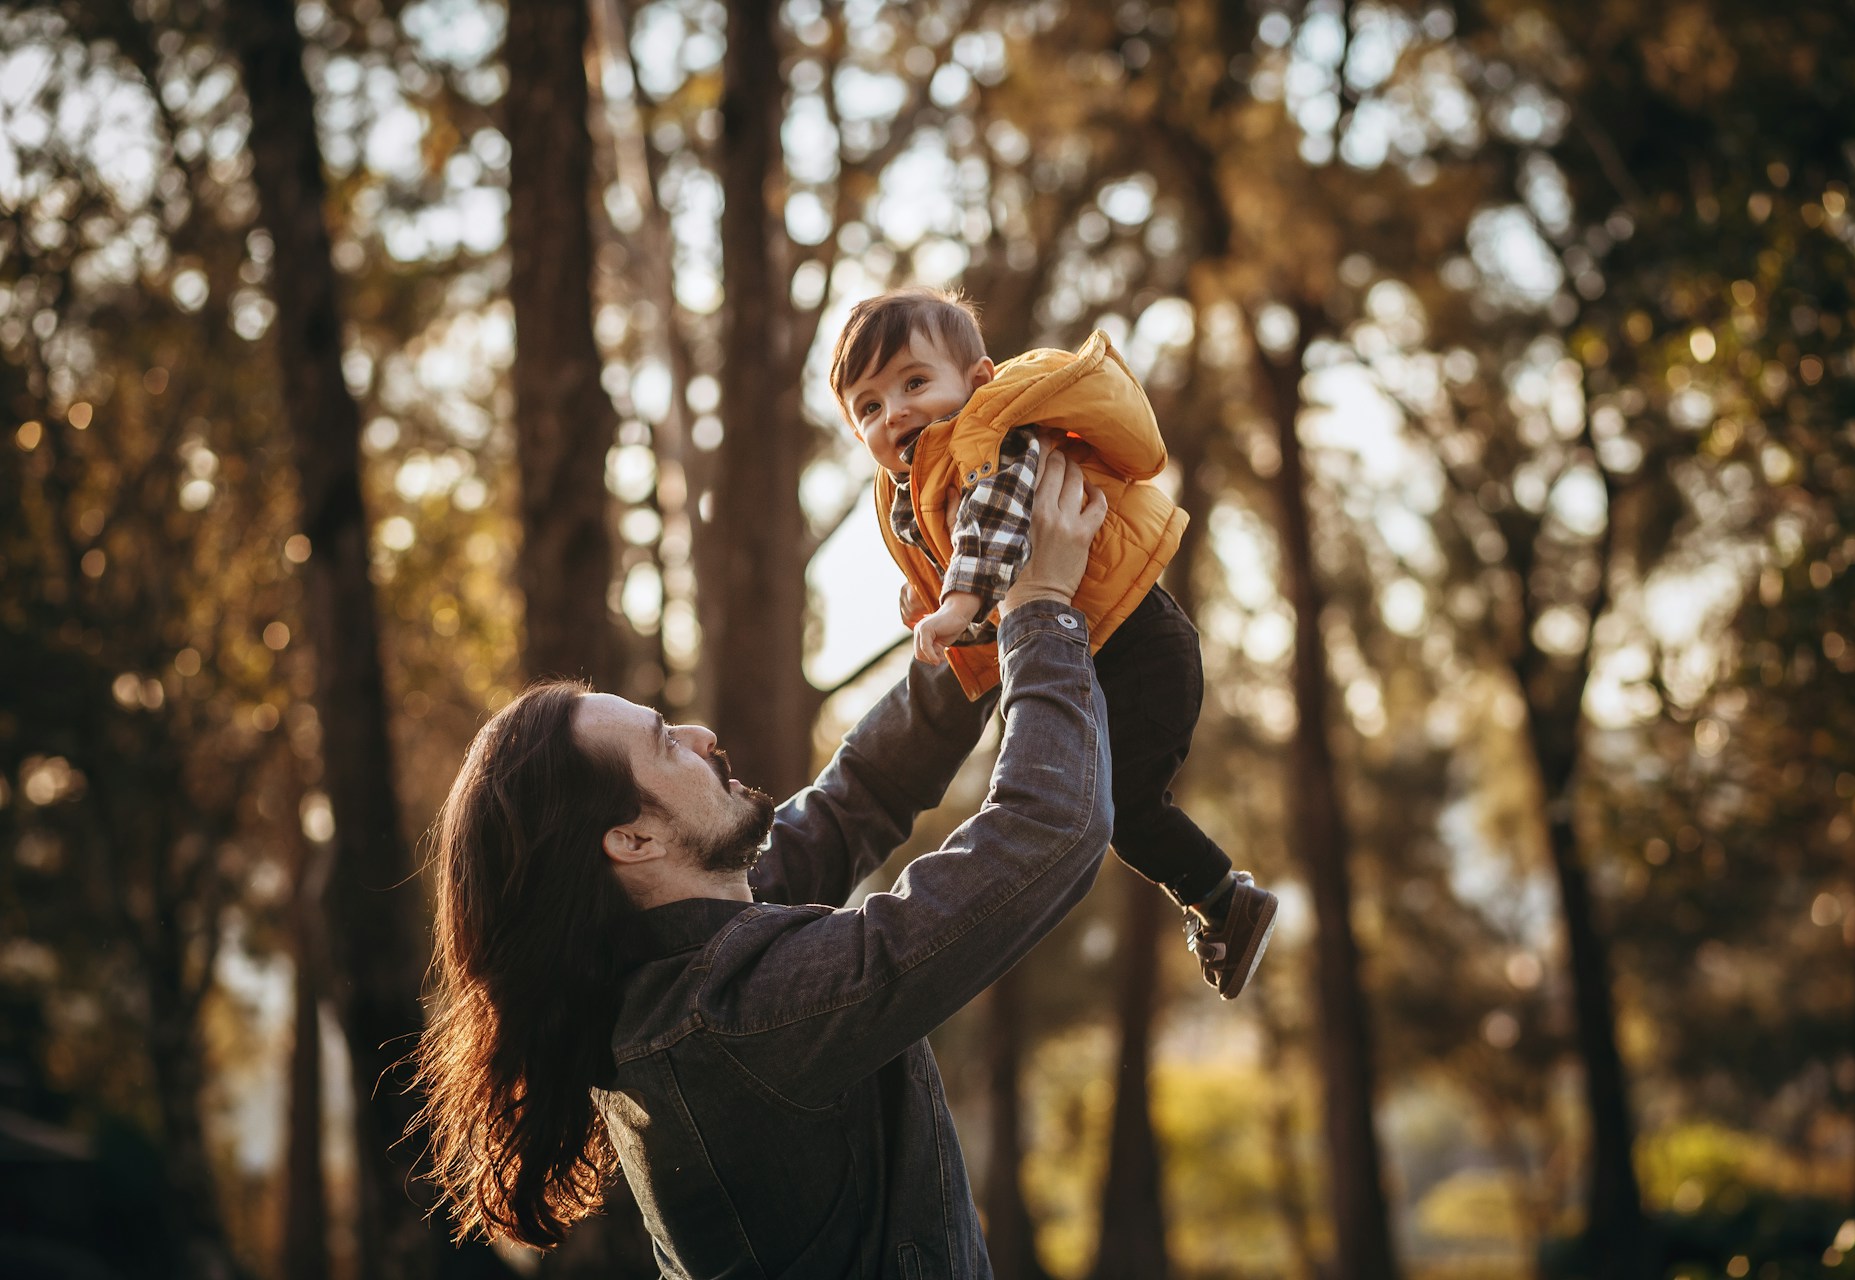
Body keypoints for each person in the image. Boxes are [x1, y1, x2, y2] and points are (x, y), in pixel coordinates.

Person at [416, 451, 1117, 1276]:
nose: (700, 737)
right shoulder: (746, 1016)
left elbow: (862, 793)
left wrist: (972, 629)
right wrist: (1043, 612)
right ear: (632, 841)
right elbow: (1049, 827)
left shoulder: (679, 963)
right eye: (661, 743)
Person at [829, 285, 1278, 999]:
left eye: (915, 382)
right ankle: (1224, 900)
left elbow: (998, 526)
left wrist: (957, 602)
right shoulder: (916, 486)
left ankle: (1227, 900)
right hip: (1092, 649)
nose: (897, 412)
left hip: (1142, 648)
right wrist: (943, 601)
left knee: (1118, 807)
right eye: (871, 407)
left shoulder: (990, 439)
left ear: (976, 381)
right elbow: (994, 568)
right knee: (1106, 806)